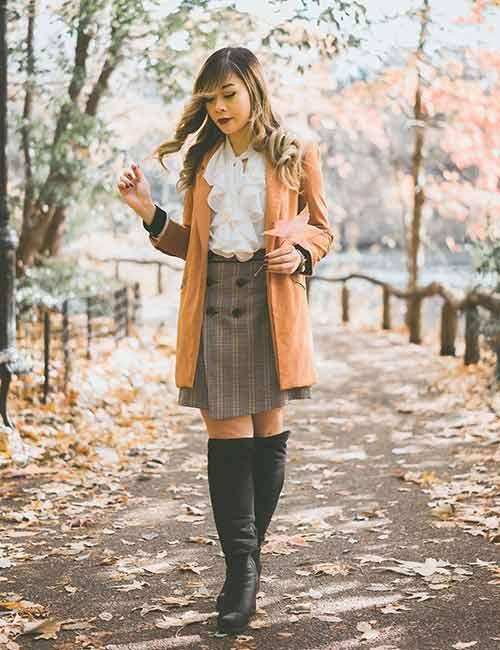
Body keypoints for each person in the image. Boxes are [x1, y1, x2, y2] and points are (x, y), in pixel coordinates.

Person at [116, 46, 334, 635]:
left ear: (254, 90)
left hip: (272, 299)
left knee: (269, 433)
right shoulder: (203, 158)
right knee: (228, 436)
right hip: (214, 302)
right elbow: (190, 243)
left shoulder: (294, 152)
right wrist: (147, 212)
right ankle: (241, 572)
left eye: (229, 95)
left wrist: (303, 252)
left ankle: (248, 560)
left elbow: (323, 227)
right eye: (210, 100)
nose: (219, 109)